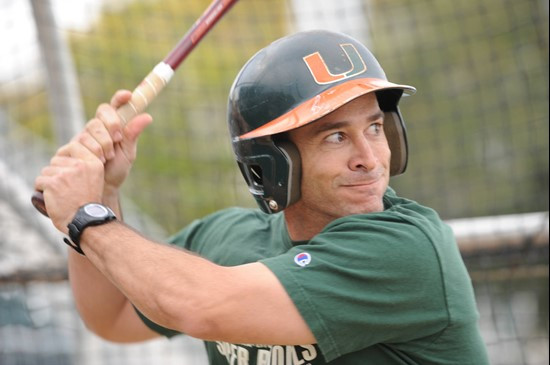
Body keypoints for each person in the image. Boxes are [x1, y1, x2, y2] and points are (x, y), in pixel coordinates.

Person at [35, 30, 489, 364]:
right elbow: (111, 317)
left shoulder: (406, 251)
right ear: (269, 162)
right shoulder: (227, 238)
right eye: (335, 137)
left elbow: (197, 304)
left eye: (374, 127)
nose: (369, 158)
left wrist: (84, 214)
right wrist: (104, 193)